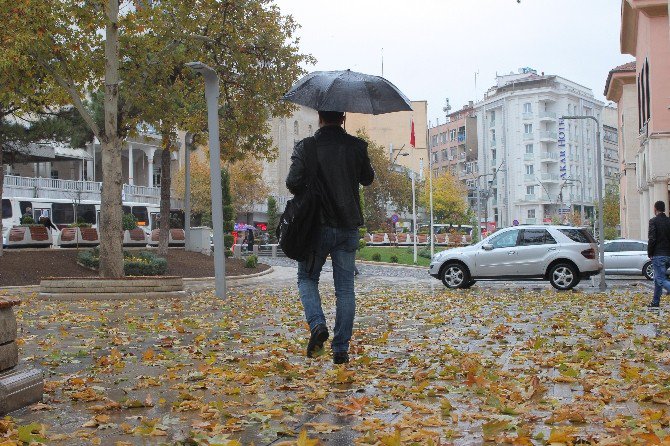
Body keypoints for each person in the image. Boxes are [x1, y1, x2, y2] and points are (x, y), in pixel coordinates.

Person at [286, 110, 374, 364]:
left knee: (306, 278)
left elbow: (292, 183)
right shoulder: (356, 146)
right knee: (345, 289)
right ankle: (340, 349)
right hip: (347, 227)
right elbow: (367, 179)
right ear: (343, 118)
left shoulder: (307, 147)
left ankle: (317, 324)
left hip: (315, 228)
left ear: (320, 117)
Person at [648, 200, 670, 309]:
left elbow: (652, 239)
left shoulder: (653, 221)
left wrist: (650, 253)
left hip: (658, 254)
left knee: (659, 279)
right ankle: (655, 302)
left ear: (655, 209)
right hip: (668, 255)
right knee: (658, 278)